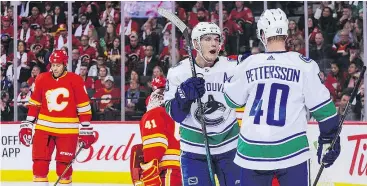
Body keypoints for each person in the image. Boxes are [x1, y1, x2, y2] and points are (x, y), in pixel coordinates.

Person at [223, 9, 341, 186]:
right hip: (292, 150)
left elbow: (231, 100)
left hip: (252, 151)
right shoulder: (304, 65)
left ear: (262, 34)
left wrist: (237, 72)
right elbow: (326, 112)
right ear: (285, 34)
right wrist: (330, 139)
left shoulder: (249, 63)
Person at [164, 22, 243, 185]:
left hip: (230, 145)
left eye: (216, 39)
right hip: (194, 149)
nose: (214, 43)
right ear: (195, 44)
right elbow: (175, 114)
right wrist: (183, 96)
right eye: (207, 39)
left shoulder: (233, 67)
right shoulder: (178, 72)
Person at [18, 50, 96, 186]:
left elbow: (83, 107)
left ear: (64, 64)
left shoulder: (75, 80)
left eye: (58, 65)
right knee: (39, 166)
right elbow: (35, 104)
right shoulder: (42, 78)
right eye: (53, 65)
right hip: (44, 129)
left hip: (67, 131)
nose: (55, 68)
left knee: (64, 169)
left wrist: (85, 128)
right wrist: (28, 124)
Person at [133, 76, 182, 186]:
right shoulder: (178, 113)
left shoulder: (154, 114)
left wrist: (149, 176)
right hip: (189, 170)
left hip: (169, 172)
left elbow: (155, 148)